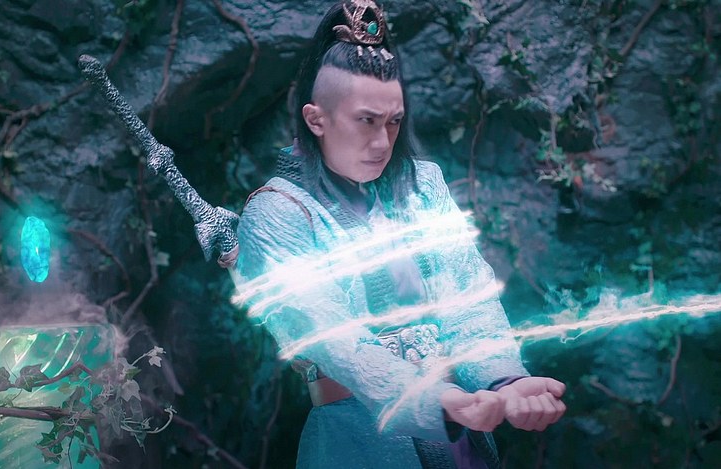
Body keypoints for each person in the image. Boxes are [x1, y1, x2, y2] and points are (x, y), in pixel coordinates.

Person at [230, 1, 566, 467]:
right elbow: (334, 339)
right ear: (316, 119)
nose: (382, 142)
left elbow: (468, 299)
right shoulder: (276, 213)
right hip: (360, 439)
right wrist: (431, 400)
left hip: (459, 429)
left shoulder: (423, 185)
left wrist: (506, 381)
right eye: (366, 120)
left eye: (393, 121)